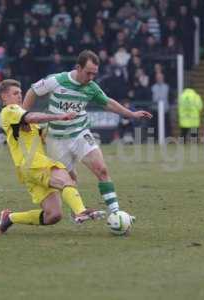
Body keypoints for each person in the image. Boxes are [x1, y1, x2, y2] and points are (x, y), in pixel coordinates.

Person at [23, 50, 152, 215]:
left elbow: (108, 103)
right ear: (78, 67)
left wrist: (132, 114)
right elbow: (33, 91)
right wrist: (23, 116)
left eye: (94, 74)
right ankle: (79, 212)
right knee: (70, 181)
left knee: (102, 170)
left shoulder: (91, 87)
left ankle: (115, 213)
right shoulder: (56, 80)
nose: (91, 77)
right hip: (56, 139)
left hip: (80, 133)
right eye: (88, 73)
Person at [0, 79, 105, 235]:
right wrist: (59, 117)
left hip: (29, 169)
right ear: (4, 97)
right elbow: (32, 117)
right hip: (33, 163)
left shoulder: (21, 117)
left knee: (53, 215)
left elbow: (42, 132)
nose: (20, 96)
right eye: (15, 93)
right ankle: (80, 211)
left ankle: (10, 218)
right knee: (66, 180)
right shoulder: (10, 110)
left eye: (20, 93)